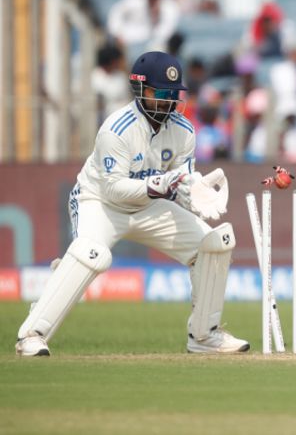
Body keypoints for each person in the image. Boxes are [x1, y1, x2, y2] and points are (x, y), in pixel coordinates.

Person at [15, 52, 248, 356]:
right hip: (99, 202)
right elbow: (114, 190)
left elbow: (180, 182)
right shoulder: (116, 129)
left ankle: (204, 335)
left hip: (150, 206)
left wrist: (194, 192)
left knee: (215, 244)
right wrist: (160, 184)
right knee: (92, 254)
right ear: (140, 90)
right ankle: (32, 335)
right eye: (161, 93)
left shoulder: (184, 131)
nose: (168, 102)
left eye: (173, 95)